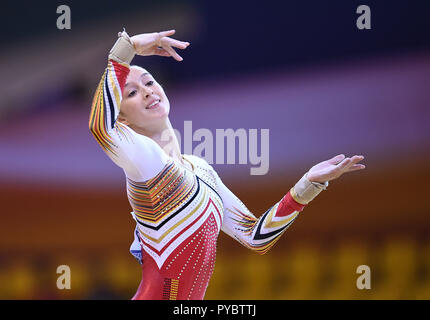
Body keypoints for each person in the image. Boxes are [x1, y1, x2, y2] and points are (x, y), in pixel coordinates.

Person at [88, 29, 366, 300]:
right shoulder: (145, 159)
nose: (147, 92)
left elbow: (256, 237)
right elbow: (101, 127)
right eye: (132, 93)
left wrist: (308, 185)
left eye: (149, 82)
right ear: (122, 118)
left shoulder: (202, 170)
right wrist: (127, 48)